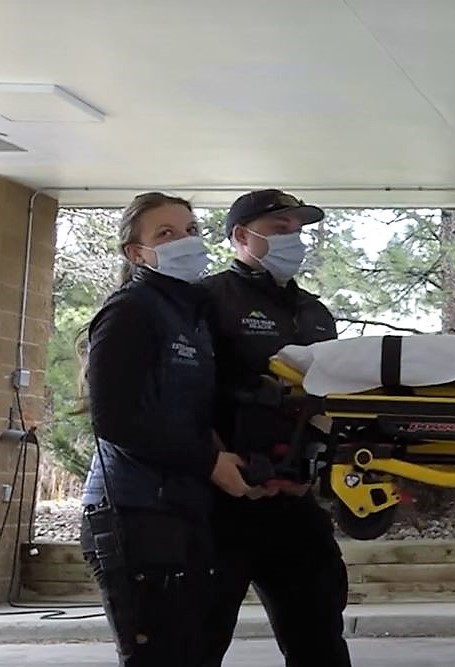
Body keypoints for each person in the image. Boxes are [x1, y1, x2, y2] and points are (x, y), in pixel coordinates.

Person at [78, 192, 259, 666]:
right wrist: (208, 462)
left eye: (191, 230)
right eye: (166, 234)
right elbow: (114, 419)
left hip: (179, 509)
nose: (186, 241)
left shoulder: (190, 315)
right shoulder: (131, 311)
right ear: (136, 254)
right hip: (134, 512)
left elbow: (190, 412)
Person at [199, 189, 353, 667]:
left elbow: (333, 398)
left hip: (293, 501)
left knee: (320, 636)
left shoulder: (314, 312)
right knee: (196, 641)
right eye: (279, 227)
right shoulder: (206, 299)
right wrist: (213, 458)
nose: (294, 237)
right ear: (241, 236)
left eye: (297, 228)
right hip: (221, 503)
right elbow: (181, 395)